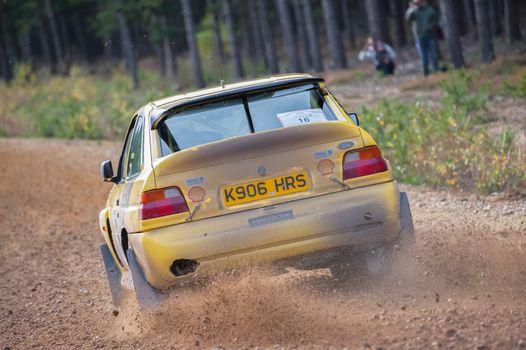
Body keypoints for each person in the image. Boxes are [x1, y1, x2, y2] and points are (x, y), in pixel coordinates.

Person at [406, 0, 440, 76]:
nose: (418, 3)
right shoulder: (415, 11)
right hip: (420, 37)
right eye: (417, 2)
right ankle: (426, 74)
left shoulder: (429, 9)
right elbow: (408, 18)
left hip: (430, 35)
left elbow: (435, 20)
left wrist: (430, 27)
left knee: (433, 55)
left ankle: (437, 72)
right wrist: (411, 8)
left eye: (419, 1)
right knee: (423, 56)